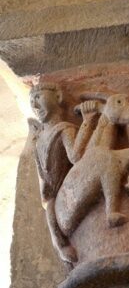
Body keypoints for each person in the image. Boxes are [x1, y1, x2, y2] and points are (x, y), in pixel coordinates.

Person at [29, 82, 97, 263]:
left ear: (58, 97)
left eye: (38, 98)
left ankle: (64, 247)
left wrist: (87, 121)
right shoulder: (39, 139)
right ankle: (62, 247)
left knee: (51, 207)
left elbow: (75, 156)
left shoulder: (65, 129)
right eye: (31, 102)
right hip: (55, 194)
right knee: (50, 208)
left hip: (66, 187)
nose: (35, 106)